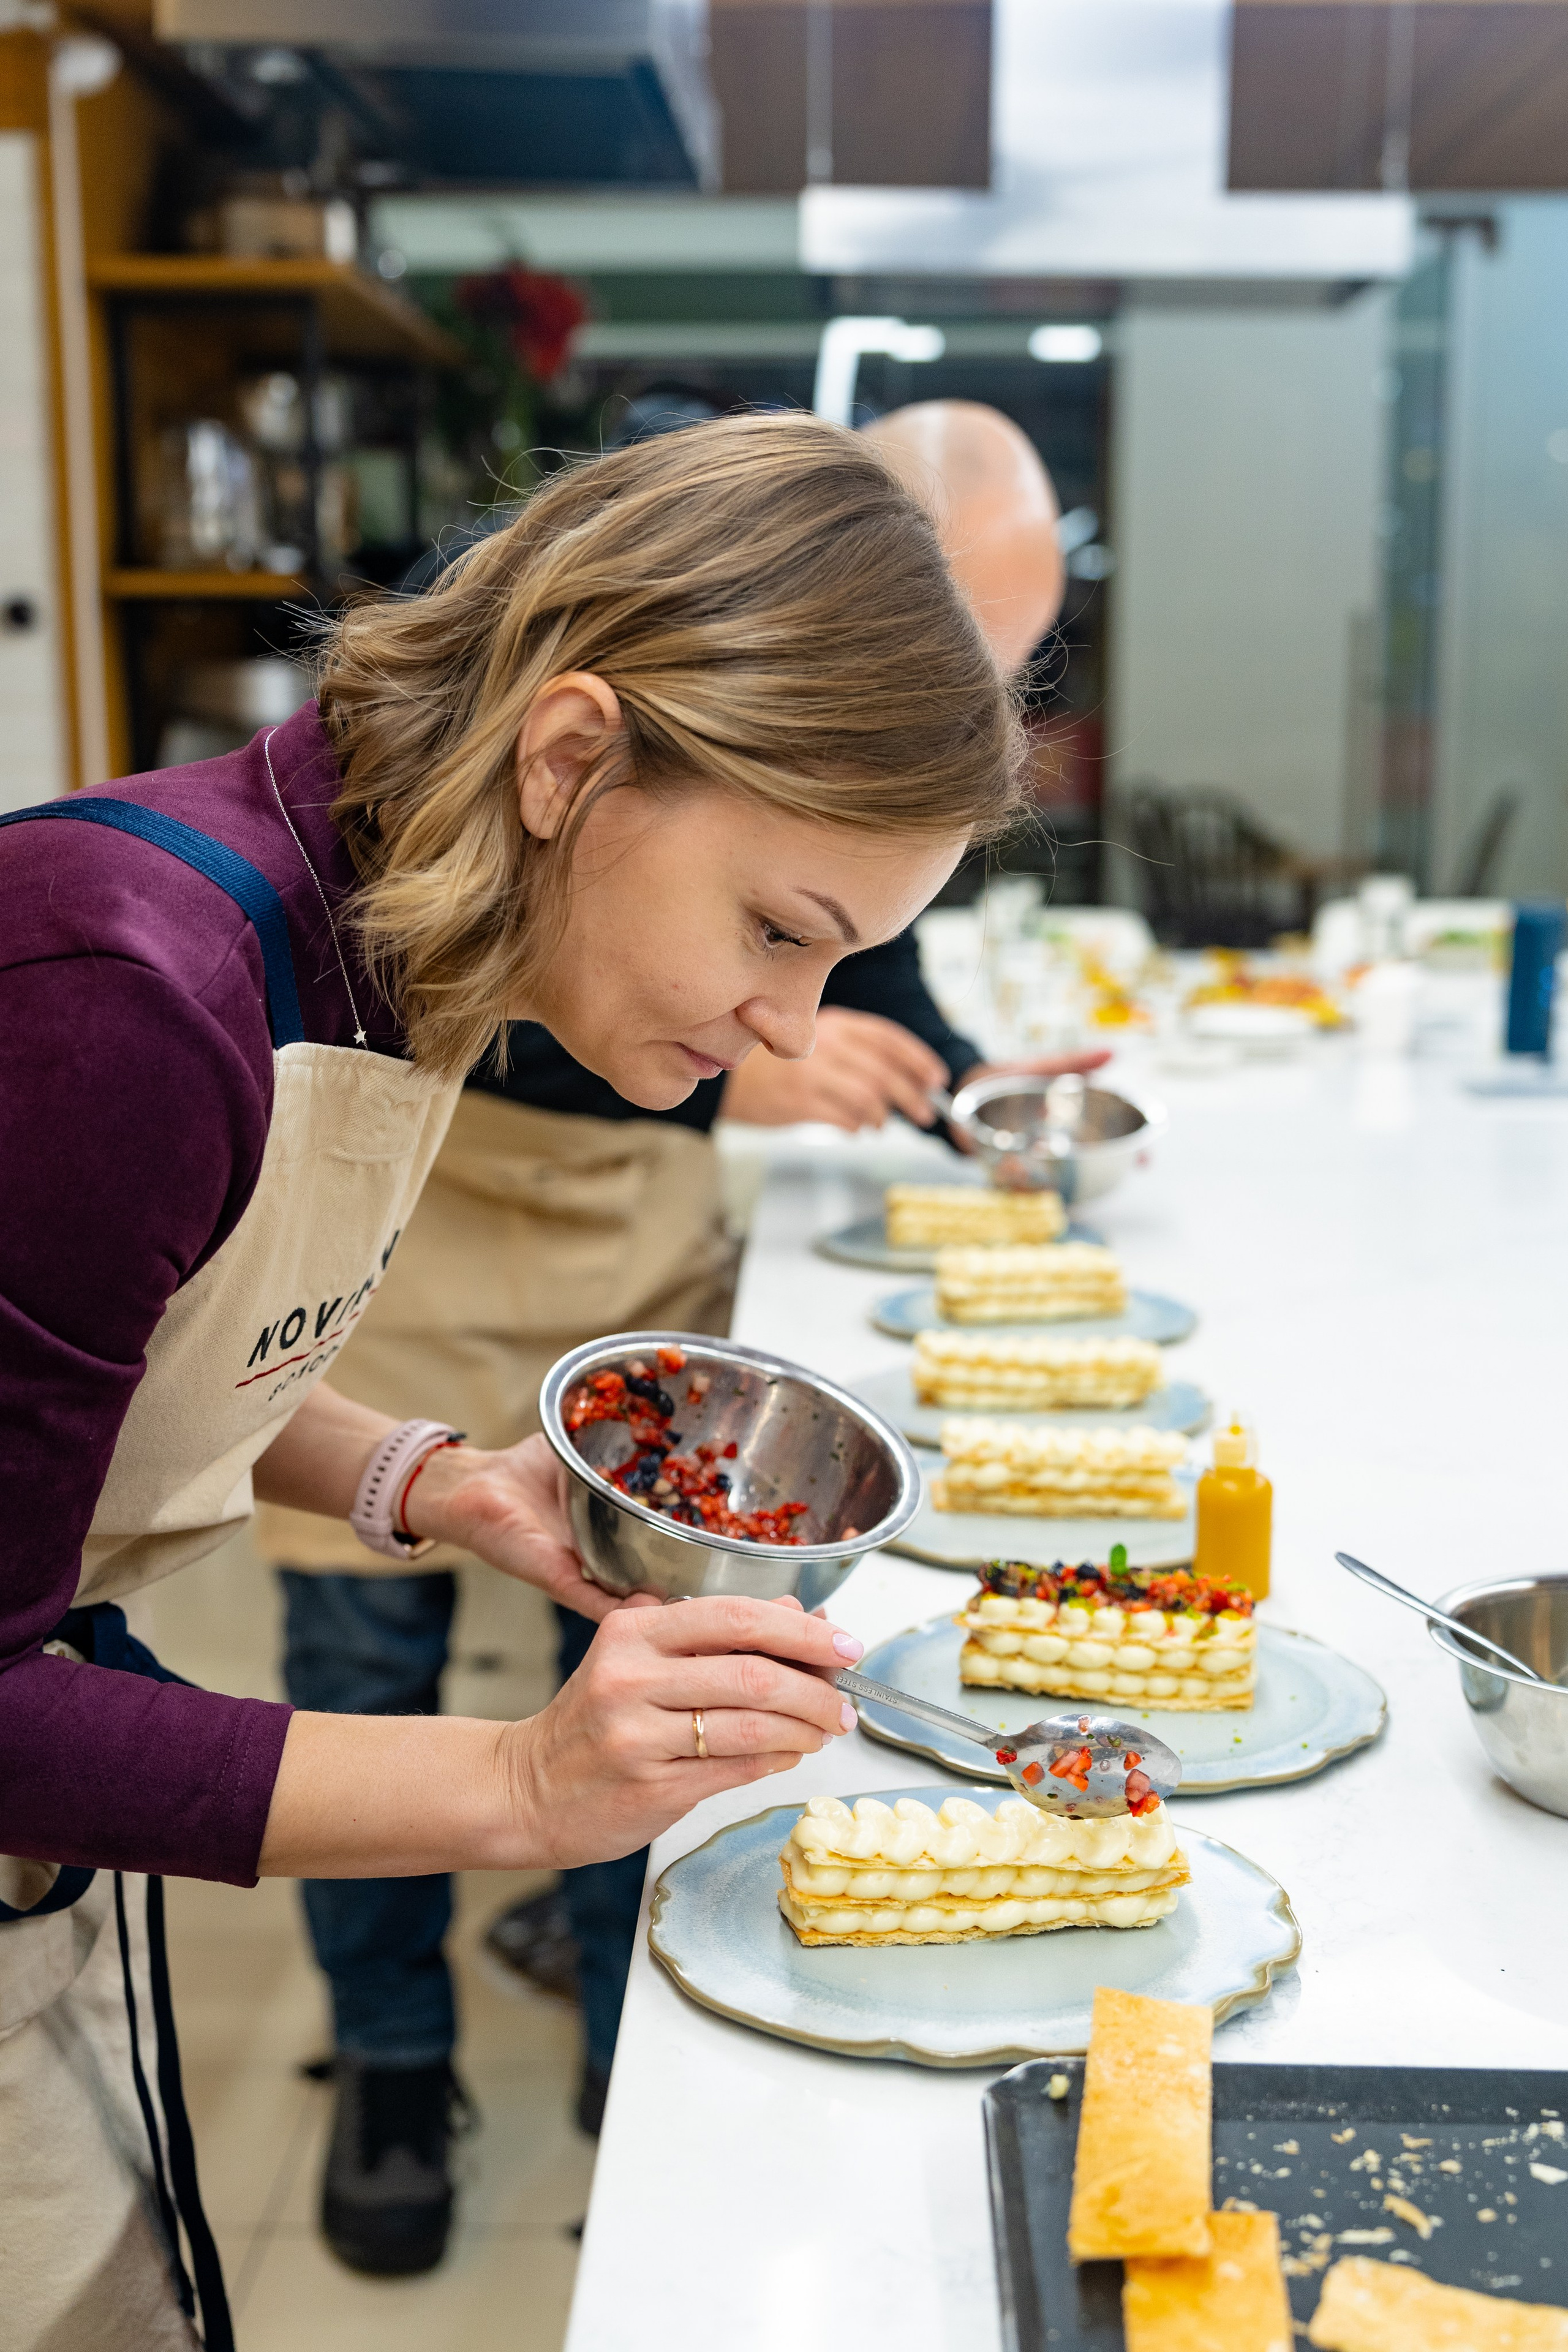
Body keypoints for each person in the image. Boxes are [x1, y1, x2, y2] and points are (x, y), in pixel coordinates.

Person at [0, 413, 1025, 2351]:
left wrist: (431, 1479)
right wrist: (520, 1784)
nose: (788, 1027)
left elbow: (137, 1368)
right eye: (778, 931)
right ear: (570, 759)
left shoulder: (414, 929)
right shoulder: (132, 998)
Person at [254, 398, 1097, 2276]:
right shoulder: (541, 692)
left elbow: (854, 945)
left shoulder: (766, 854)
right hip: (422, 1262)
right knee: (362, 1666)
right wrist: (735, 1086)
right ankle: (391, 2057)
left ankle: (616, 2043)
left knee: (621, 1679)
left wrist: (968, 1093)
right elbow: (472, 940)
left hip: (622, 1263)